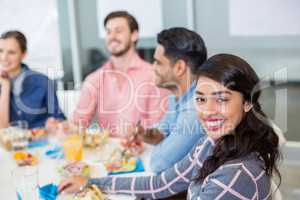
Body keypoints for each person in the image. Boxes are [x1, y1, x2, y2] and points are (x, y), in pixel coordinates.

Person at [58, 54, 281, 199]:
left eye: (222, 99)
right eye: (201, 99)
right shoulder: (212, 142)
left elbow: (159, 166)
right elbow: (160, 184)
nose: (208, 110)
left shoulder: (235, 176)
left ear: (247, 103)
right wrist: (91, 182)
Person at [72, 11, 170, 137]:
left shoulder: (154, 76)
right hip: (106, 154)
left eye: (118, 31)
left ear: (134, 35)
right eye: (108, 32)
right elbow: (78, 122)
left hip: (145, 153)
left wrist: (138, 132)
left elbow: (160, 130)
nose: (112, 36)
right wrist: (65, 127)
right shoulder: (94, 78)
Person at [131, 27, 207, 173]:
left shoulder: (194, 109)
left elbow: (158, 163)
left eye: (158, 62)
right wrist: (146, 135)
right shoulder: (177, 94)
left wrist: (160, 145)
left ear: (179, 67)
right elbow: (163, 131)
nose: (153, 67)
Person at [0, 30, 65, 129]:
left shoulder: (43, 82)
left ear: (23, 54)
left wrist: (55, 123)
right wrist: (5, 86)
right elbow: (2, 128)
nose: (4, 57)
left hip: (42, 141)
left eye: (11, 52)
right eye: (0, 51)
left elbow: (59, 119)